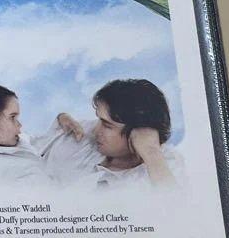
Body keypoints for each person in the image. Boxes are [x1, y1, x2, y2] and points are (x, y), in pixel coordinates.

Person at [42, 79, 183, 190]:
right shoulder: (84, 131)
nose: (95, 130)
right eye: (99, 120)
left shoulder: (166, 168)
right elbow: (34, 147)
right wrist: (61, 118)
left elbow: (176, 210)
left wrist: (151, 154)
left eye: (107, 125)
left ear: (141, 133)